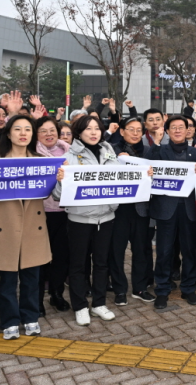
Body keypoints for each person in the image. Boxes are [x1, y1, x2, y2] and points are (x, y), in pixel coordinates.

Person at [0, 115, 52, 340]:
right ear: (8, 133)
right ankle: (9, 321)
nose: (23, 133)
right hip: (5, 226)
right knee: (8, 280)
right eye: (18, 128)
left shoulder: (41, 160)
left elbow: (51, 193)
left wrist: (59, 178)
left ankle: (30, 317)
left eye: (28, 129)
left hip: (32, 226)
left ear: (32, 134)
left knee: (32, 278)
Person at [53, 116, 123, 326]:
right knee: (78, 265)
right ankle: (80, 306)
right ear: (79, 132)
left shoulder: (109, 152)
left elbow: (124, 178)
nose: (94, 132)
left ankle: (99, 304)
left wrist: (145, 176)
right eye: (88, 129)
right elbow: (57, 196)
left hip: (107, 218)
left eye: (97, 128)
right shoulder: (68, 158)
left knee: (101, 264)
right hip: (80, 219)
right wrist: (60, 181)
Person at [147, 115, 196, 309]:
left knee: (189, 250)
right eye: (174, 127)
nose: (178, 130)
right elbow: (148, 167)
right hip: (166, 209)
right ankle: (162, 290)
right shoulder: (159, 151)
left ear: (189, 131)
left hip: (189, 209)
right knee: (164, 251)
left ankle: (188, 288)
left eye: (182, 127)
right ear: (168, 131)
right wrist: (155, 142)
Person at [108, 117, 156, 307]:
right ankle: (119, 290)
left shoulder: (149, 153)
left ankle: (140, 288)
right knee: (116, 252)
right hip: (118, 209)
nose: (135, 133)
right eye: (131, 129)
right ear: (122, 131)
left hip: (141, 209)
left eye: (139, 130)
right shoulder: (110, 151)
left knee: (141, 251)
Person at [35, 117, 72, 315]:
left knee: (61, 257)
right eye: (43, 131)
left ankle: (57, 294)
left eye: (52, 130)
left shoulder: (70, 152)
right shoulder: (30, 154)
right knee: (40, 259)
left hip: (65, 213)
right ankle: (37, 298)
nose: (49, 134)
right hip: (41, 214)